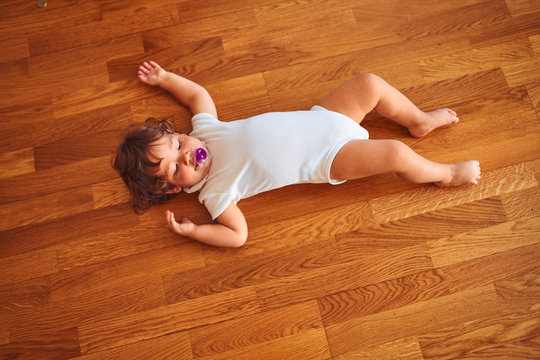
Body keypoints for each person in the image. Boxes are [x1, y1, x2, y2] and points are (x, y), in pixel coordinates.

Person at [113, 61, 481, 248]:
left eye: (178, 145)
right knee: (397, 155)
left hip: (324, 119)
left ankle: (418, 120)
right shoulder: (215, 193)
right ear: (175, 190)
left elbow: (197, 96)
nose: (187, 155)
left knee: (369, 83)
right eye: (176, 170)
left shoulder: (205, 132)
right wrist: (196, 232)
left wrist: (165, 79)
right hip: (331, 155)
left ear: (179, 133)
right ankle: (443, 174)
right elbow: (237, 235)